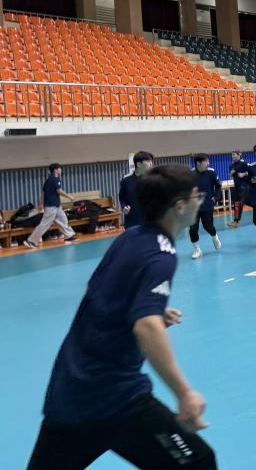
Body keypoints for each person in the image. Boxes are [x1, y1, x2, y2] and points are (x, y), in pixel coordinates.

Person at [26, 164, 216, 469]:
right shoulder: (161, 255)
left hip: (69, 390)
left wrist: (147, 307)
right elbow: (146, 328)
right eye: (197, 196)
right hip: (115, 397)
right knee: (198, 462)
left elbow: (105, 294)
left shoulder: (130, 238)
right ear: (179, 207)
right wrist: (184, 392)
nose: (200, 201)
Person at [25, 163, 78, 249]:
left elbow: (43, 192)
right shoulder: (53, 179)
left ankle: (68, 236)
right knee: (44, 224)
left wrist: (41, 203)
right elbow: (59, 190)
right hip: (51, 206)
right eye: (60, 169)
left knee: (63, 219)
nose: (61, 170)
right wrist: (69, 196)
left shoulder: (50, 179)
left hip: (56, 206)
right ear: (55, 170)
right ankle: (31, 241)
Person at [190, 154, 222, 260]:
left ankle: (215, 237)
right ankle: (197, 250)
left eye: (208, 161)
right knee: (193, 228)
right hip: (193, 207)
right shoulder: (190, 174)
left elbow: (218, 187)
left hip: (207, 205)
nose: (208, 163)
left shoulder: (211, 172)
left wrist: (215, 198)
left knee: (208, 226)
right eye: (206, 162)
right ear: (198, 163)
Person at [119, 151, 154, 229]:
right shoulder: (126, 181)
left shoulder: (153, 180)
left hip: (150, 223)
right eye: (148, 161)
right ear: (138, 164)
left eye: (152, 161)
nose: (151, 164)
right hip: (132, 223)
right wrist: (124, 207)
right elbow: (122, 197)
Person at [227, 151, 249, 228]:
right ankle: (235, 220)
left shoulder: (243, 163)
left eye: (234, 155)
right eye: (231, 155)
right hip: (236, 186)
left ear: (239, 155)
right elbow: (230, 175)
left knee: (239, 204)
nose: (232, 156)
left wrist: (243, 174)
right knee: (236, 204)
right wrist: (231, 173)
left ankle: (236, 220)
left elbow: (250, 171)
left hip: (244, 186)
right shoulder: (231, 165)